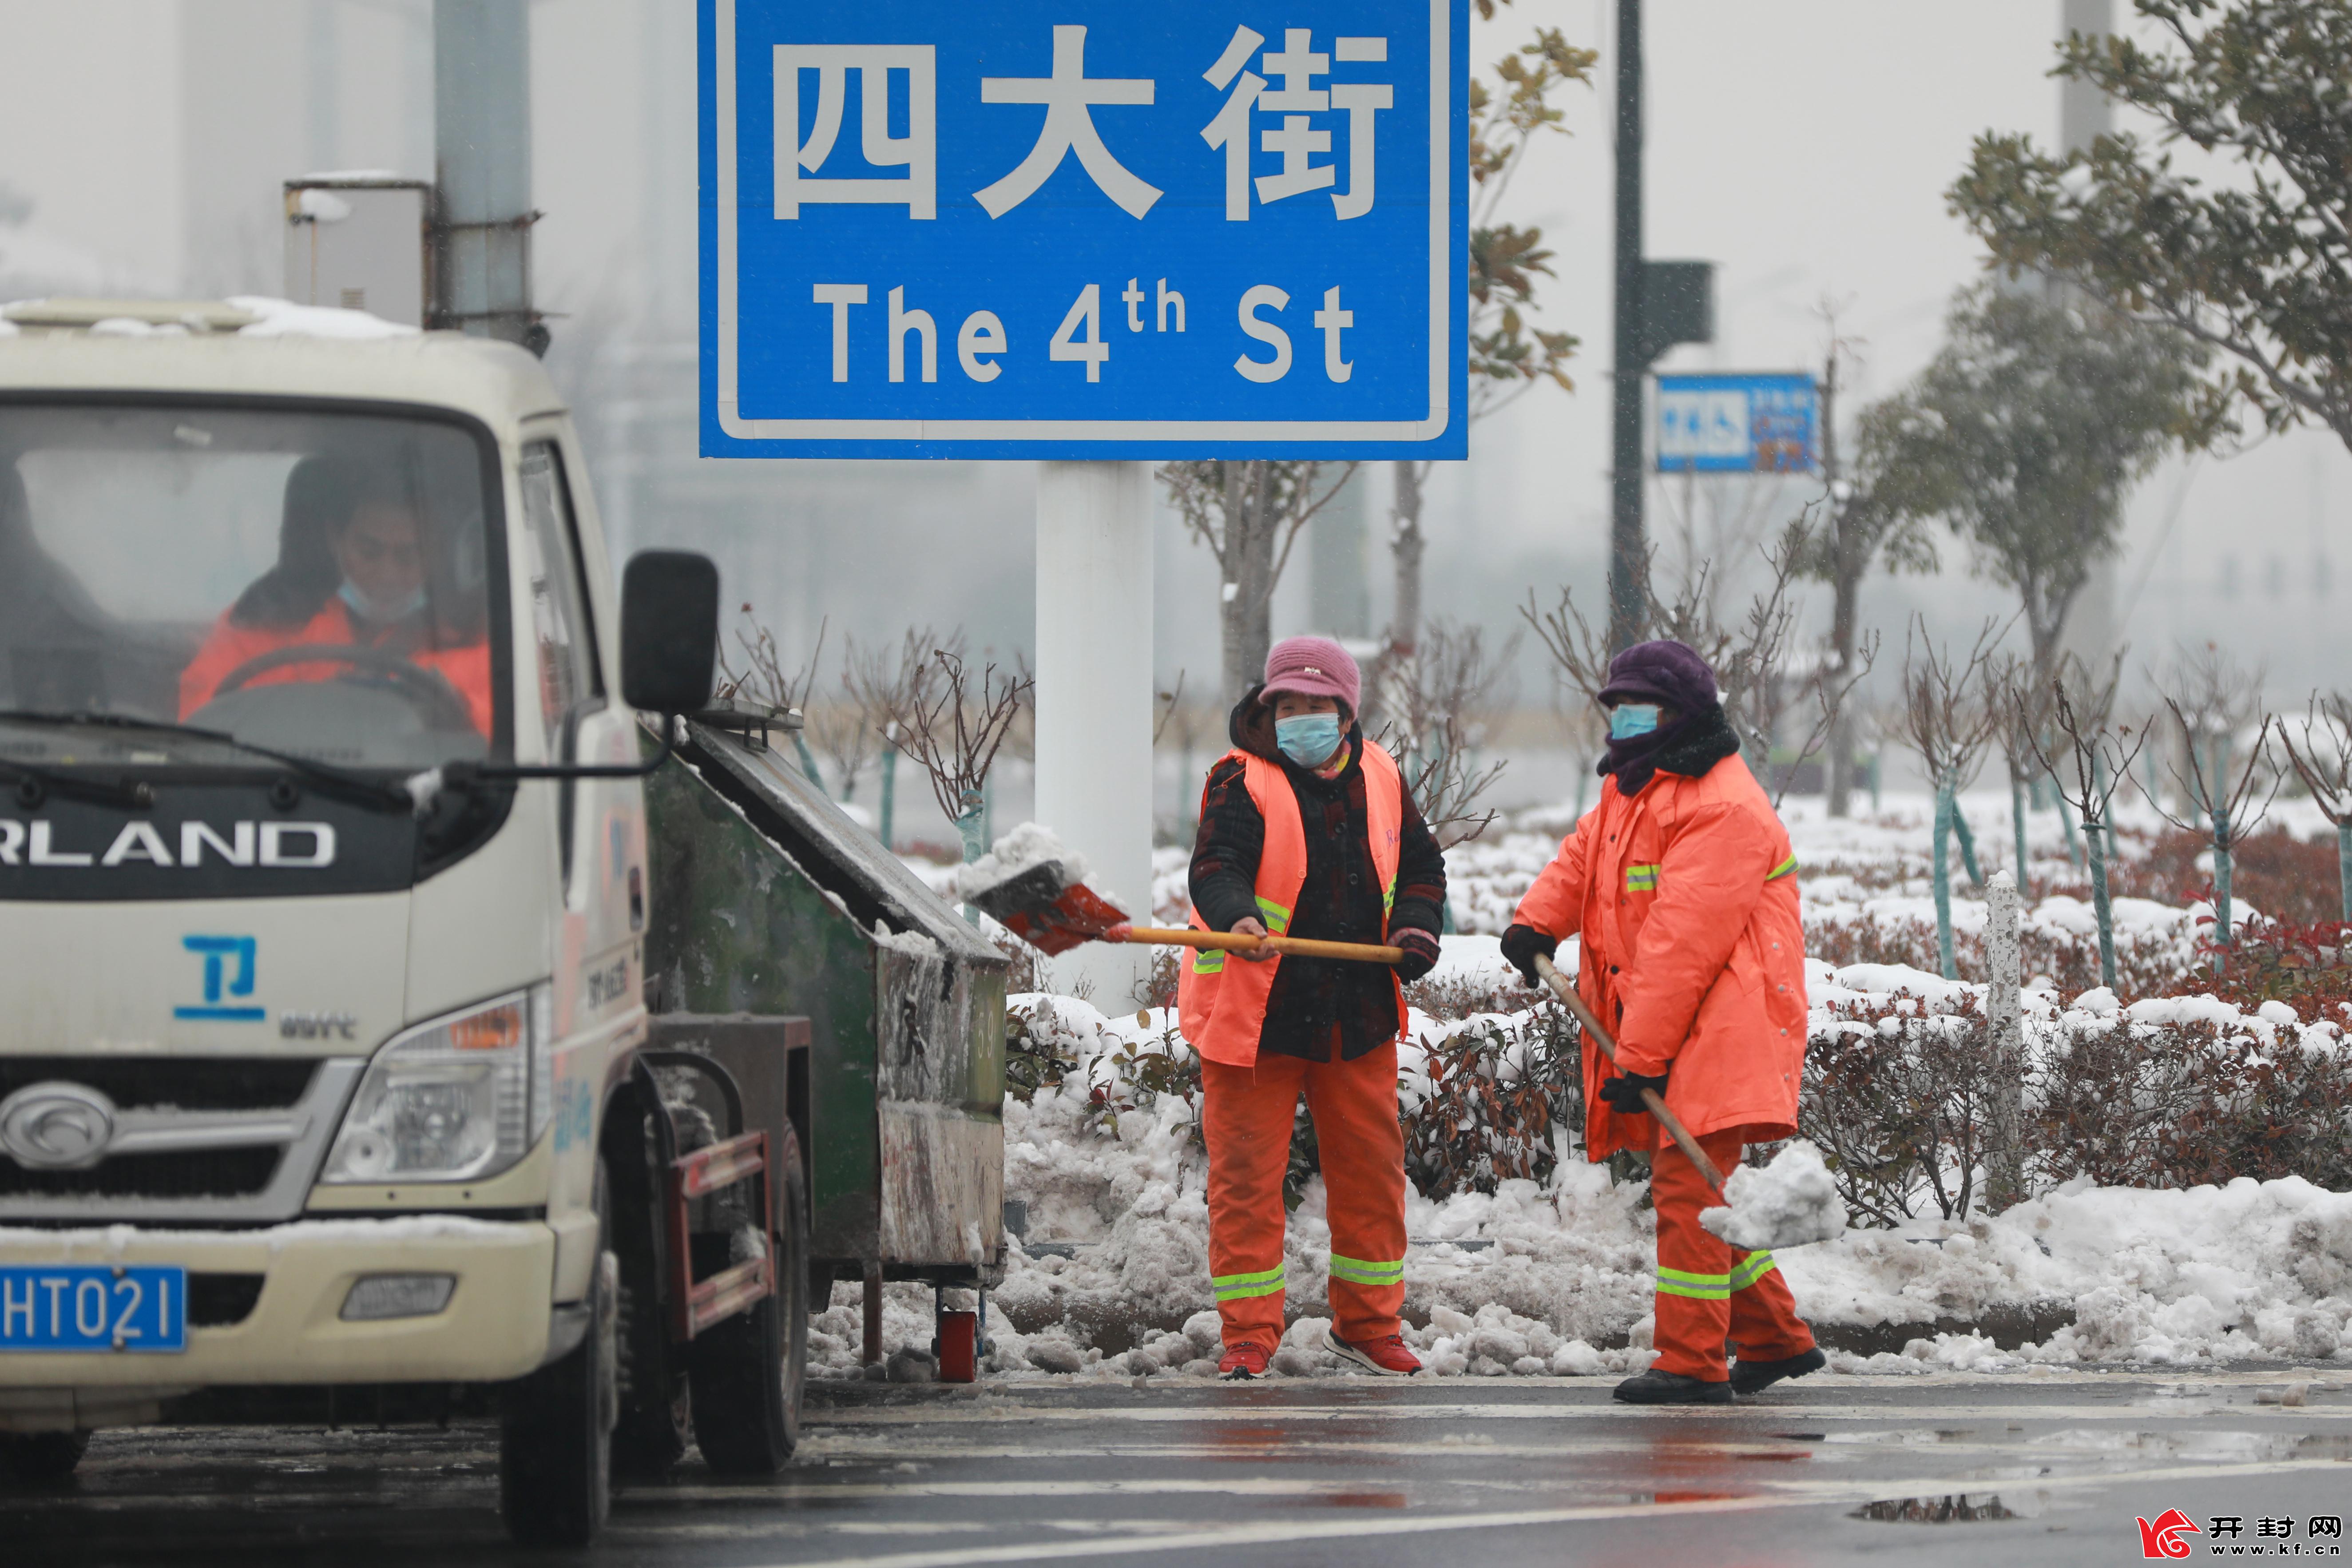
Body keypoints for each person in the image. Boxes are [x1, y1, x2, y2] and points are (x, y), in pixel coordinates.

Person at [1499, 639, 1822, 1404]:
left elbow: (1683, 944)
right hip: (1679, 1024)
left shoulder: (1721, 804)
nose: (1626, 716)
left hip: (1721, 1023)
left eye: (1641, 704)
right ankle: (1774, 1337)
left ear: (1683, 715)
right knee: (1699, 1189)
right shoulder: (1637, 786)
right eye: (1618, 704)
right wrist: (1535, 922)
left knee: (1690, 1194)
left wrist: (1636, 1056)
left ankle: (1690, 1362)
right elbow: (1587, 855)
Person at [1179, 636, 1447, 1380]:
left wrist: (1417, 927)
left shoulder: (1383, 774)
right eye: (1287, 706)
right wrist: (1237, 919)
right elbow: (1215, 866)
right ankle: (1248, 1335)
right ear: (1269, 709)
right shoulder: (1240, 780)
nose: (1301, 718)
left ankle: (1367, 1325)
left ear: (1345, 711)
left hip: (1355, 1015)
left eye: (1316, 706)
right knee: (1245, 1181)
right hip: (1255, 1016)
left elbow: (1421, 866)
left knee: (1370, 1174)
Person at [178, 462, 492, 737]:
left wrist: (459, 712)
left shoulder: (483, 639)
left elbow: (526, 730)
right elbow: (198, 725)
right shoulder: (258, 624)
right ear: (335, 541)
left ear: (435, 552)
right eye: (370, 551)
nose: (387, 573)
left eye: (408, 556)